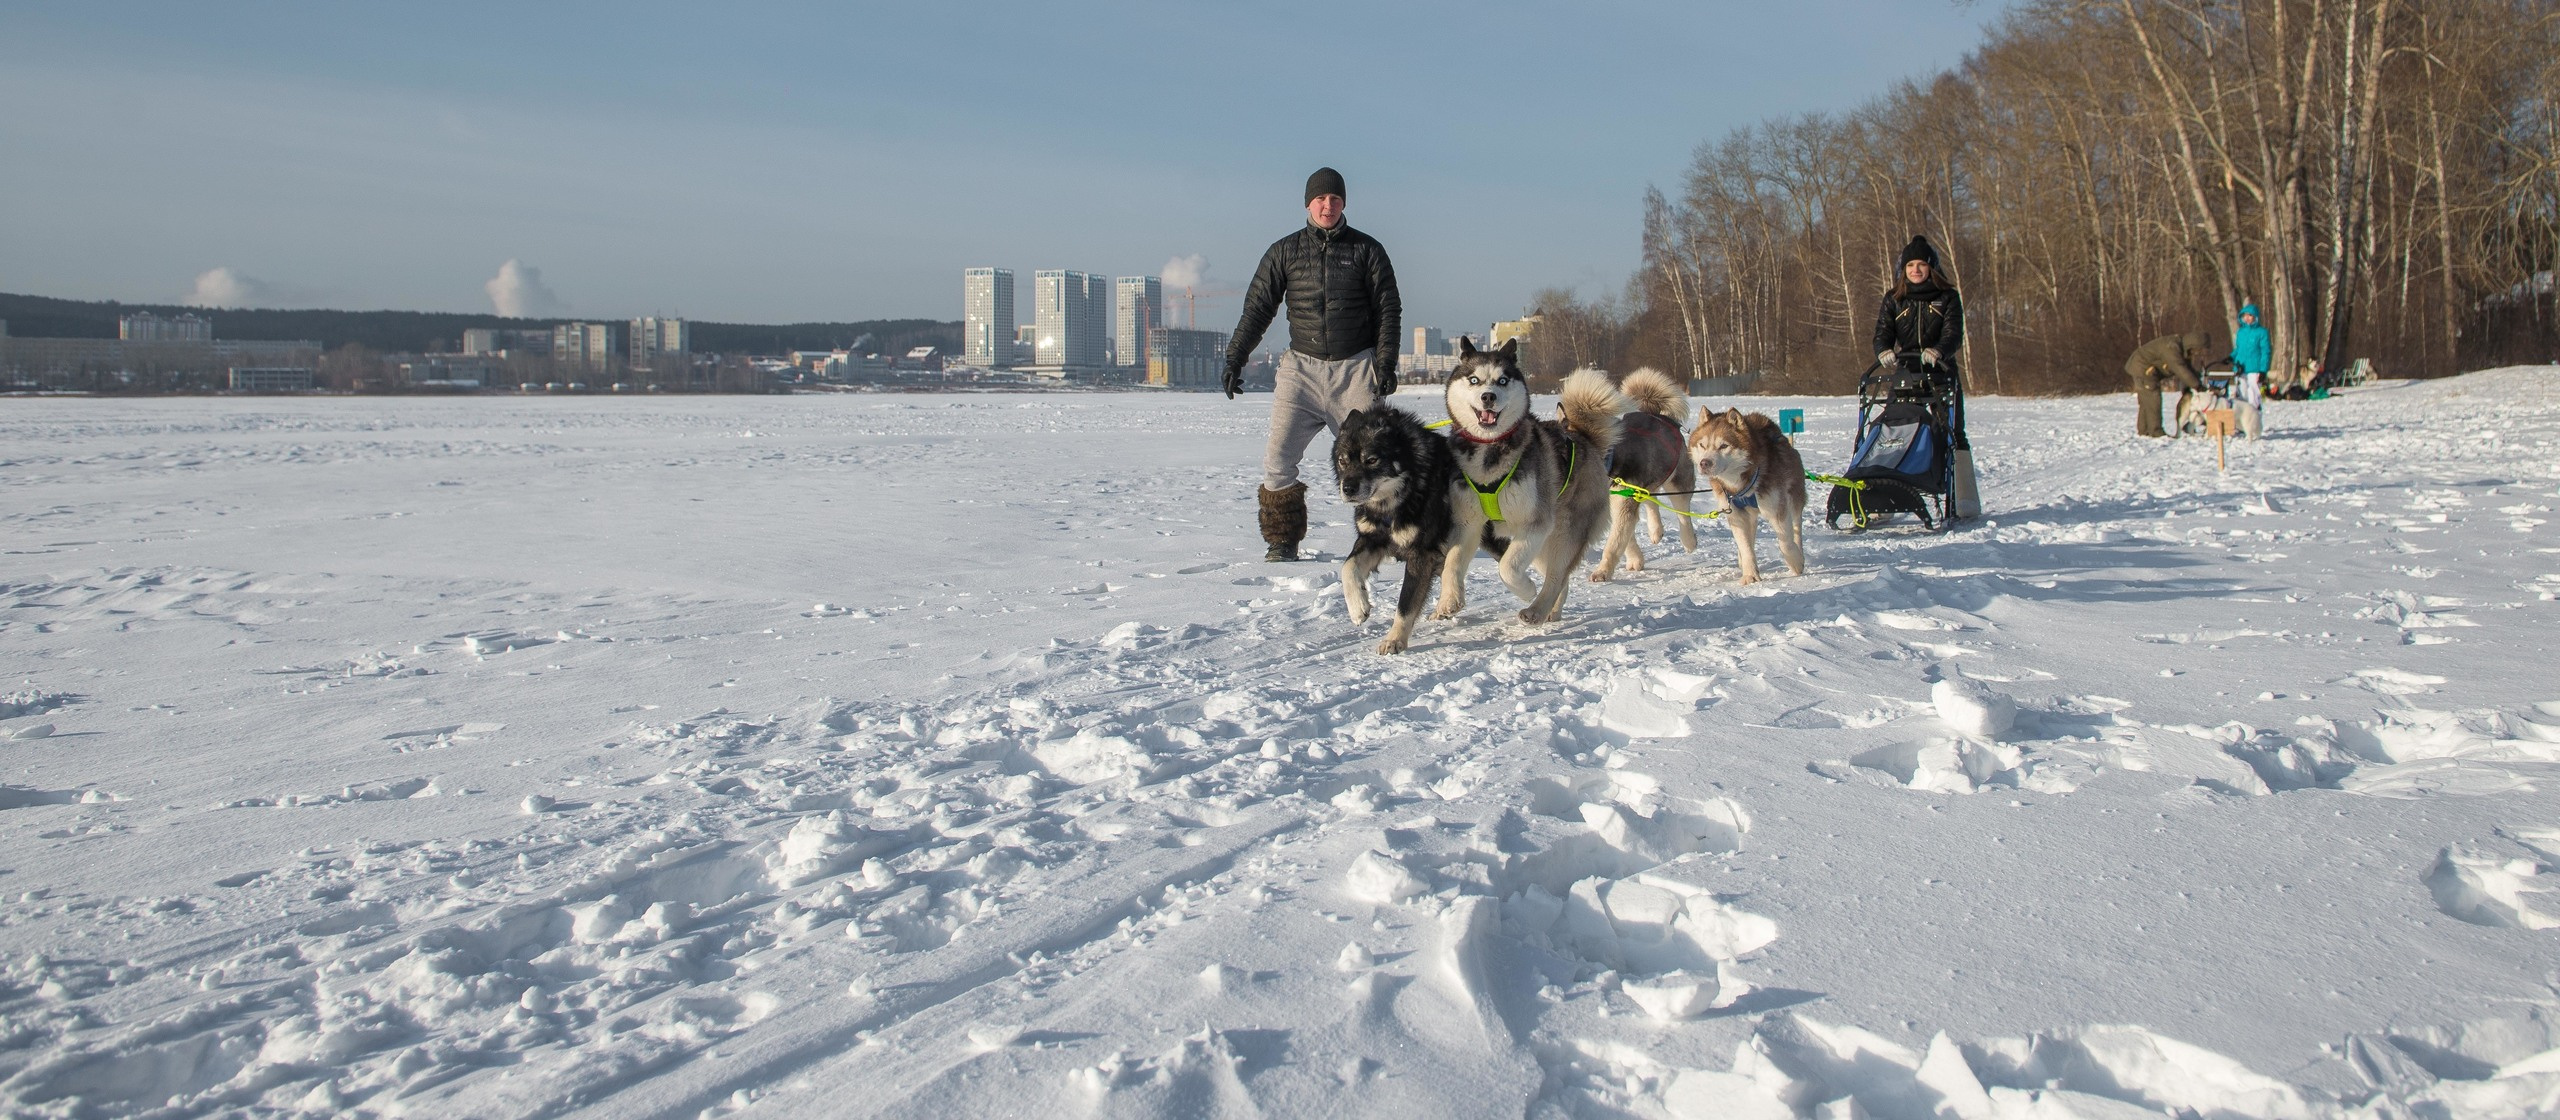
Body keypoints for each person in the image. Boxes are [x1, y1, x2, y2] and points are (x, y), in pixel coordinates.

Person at [1224, 166, 1402, 562]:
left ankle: (1384, 537)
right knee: (1278, 459)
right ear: (1308, 203)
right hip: (1300, 372)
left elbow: (1388, 309)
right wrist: (1235, 358)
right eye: (1320, 198)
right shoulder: (1284, 251)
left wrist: (1385, 363)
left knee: (1375, 460)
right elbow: (1257, 309)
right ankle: (1282, 539)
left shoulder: (1367, 250)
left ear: (1344, 204)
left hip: (1355, 369)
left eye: (1335, 199)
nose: (1327, 205)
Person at [1870, 235, 1978, 516]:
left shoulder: (1947, 297)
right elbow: (1882, 333)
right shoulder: (1894, 299)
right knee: (1893, 429)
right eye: (1910, 266)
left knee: (1953, 431)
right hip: (1906, 372)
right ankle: (1886, 498)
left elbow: (1954, 333)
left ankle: (1964, 497)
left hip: (1941, 373)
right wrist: (1883, 350)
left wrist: (1940, 350)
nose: (1915, 270)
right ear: (1903, 270)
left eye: (1921, 264)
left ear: (1931, 267)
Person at [2125, 332, 2211, 438]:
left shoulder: (2179, 348)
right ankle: (2156, 432)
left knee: (2146, 401)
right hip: (2142, 368)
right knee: (2153, 399)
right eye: (2197, 350)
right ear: (2192, 346)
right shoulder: (2172, 348)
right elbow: (2180, 369)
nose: (2197, 353)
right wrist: (2197, 385)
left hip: (2142, 368)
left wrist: (2195, 382)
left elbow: (2188, 369)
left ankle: (2144, 431)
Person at [2229, 303, 2270, 440]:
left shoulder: (2262, 332)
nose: (2247, 318)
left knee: (2254, 398)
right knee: (2241, 397)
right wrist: (2230, 358)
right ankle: (2242, 426)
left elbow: (2266, 351)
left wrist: (2263, 369)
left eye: (2250, 316)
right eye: (2245, 315)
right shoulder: (2241, 332)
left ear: (2255, 317)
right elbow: (2238, 350)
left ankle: (2255, 426)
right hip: (2241, 369)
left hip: (2255, 369)